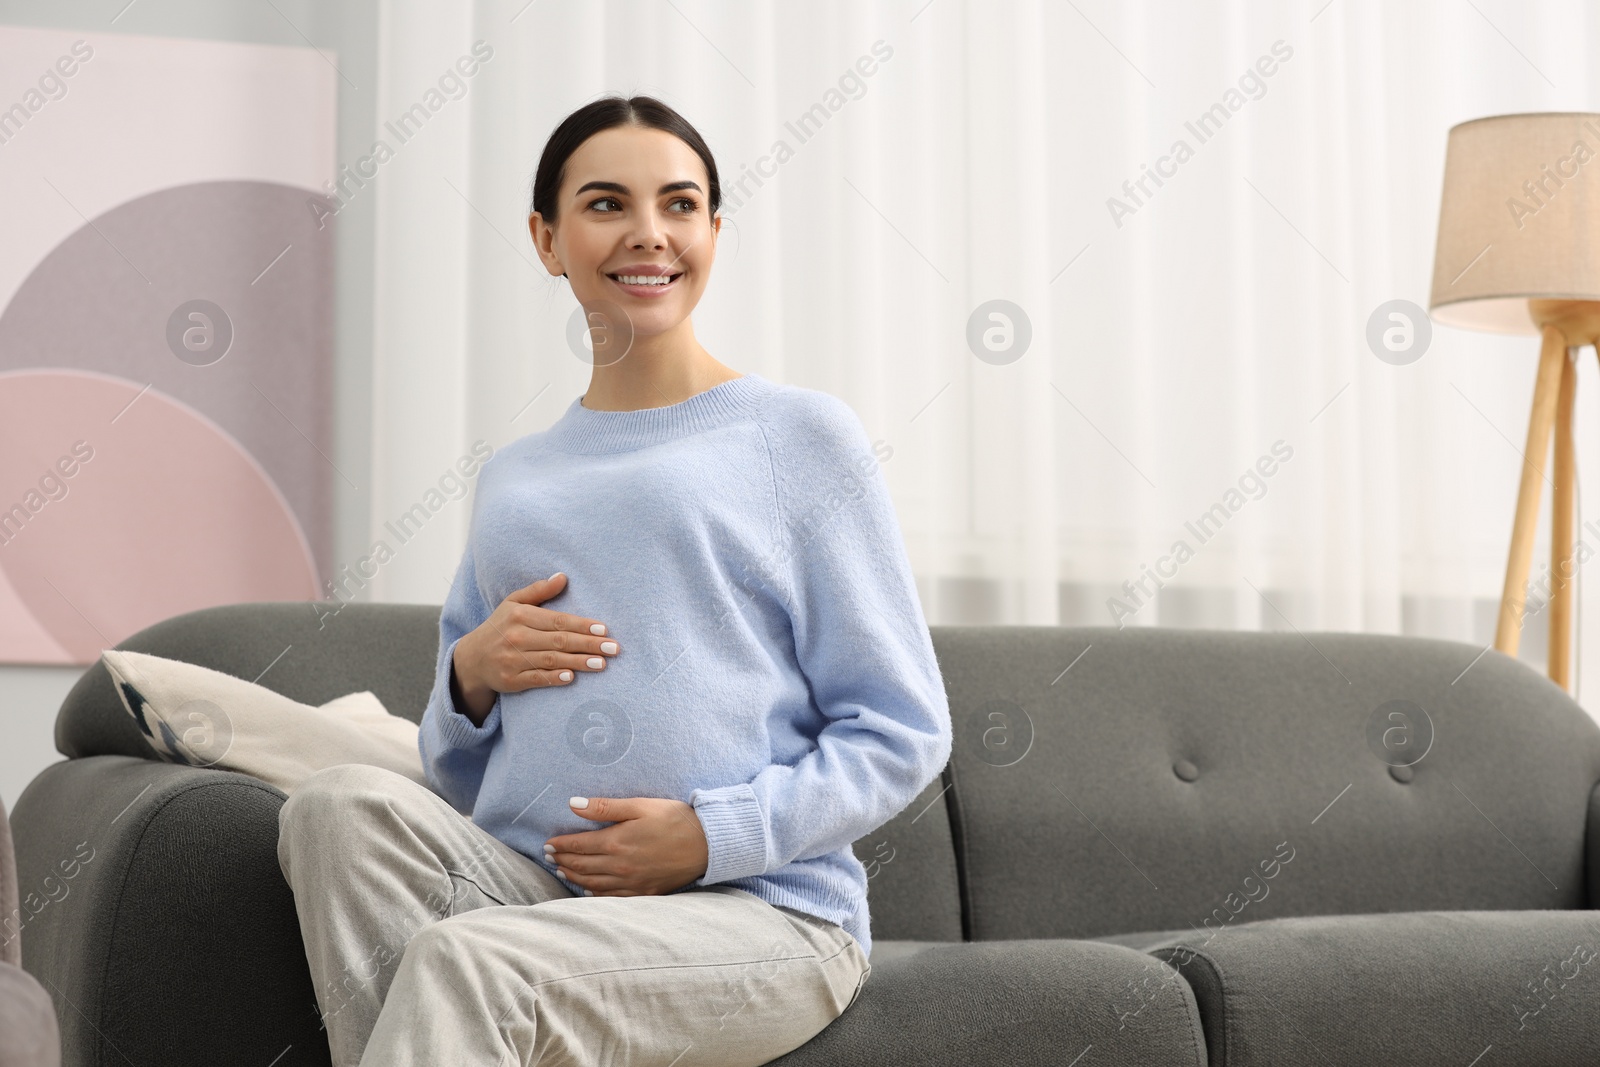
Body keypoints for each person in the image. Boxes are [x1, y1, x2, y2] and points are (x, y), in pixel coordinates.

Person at [276, 93, 952, 1066]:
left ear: (713, 230)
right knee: (335, 806)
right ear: (546, 238)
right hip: (538, 893)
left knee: (474, 964)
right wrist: (469, 676)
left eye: (679, 204)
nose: (648, 233)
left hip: (762, 915)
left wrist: (708, 836)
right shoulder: (517, 476)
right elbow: (455, 773)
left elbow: (902, 729)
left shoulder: (798, 438)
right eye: (606, 204)